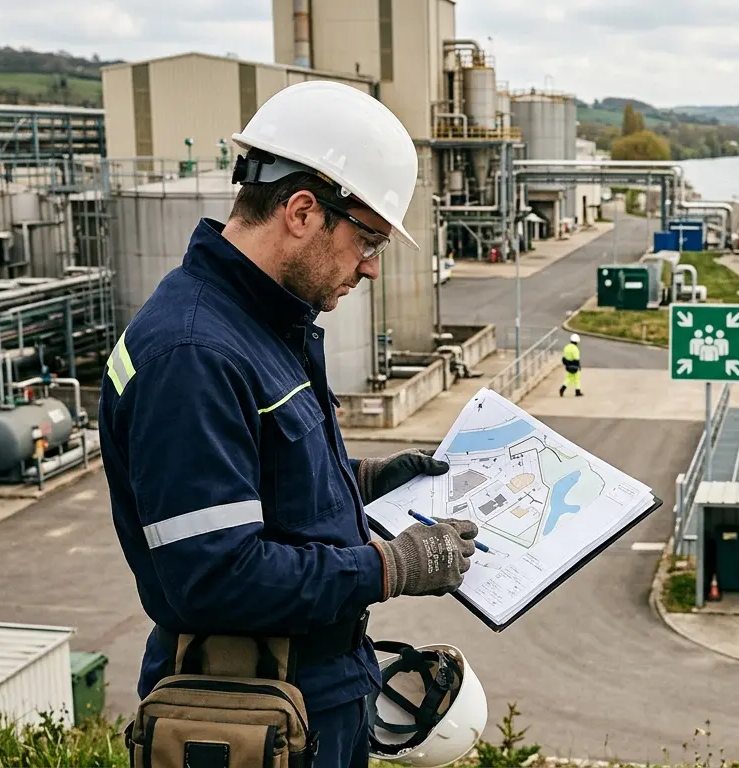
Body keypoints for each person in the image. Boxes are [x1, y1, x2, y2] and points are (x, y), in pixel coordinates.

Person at [99, 81, 479, 768]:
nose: (370, 266)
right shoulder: (195, 354)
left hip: (301, 698)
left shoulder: (262, 323)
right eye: (367, 239)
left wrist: (361, 480)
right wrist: (393, 565)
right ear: (303, 211)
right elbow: (214, 576)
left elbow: (260, 479)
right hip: (252, 712)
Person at [560, 333, 582, 397]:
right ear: (577, 341)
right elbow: (576, 359)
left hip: (568, 365)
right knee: (576, 378)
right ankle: (577, 391)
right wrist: (579, 366)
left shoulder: (566, 347)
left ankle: (563, 389)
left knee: (569, 378)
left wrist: (567, 364)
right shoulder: (575, 349)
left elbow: (564, 357)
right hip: (574, 366)